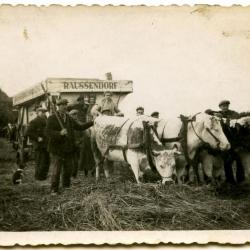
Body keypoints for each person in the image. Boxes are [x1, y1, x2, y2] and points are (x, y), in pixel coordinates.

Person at [46, 99, 93, 195]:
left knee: (67, 170)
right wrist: (59, 133)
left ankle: (66, 187)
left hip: (68, 149)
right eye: (62, 105)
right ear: (58, 106)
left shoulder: (69, 118)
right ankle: (54, 189)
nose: (64, 107)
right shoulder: (52, 118)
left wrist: (92, 122)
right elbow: (47, 132)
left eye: (65, 105)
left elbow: (80, 127)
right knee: (56, 170)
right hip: (57, 149)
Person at [205, 100, 244, 184]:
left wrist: (228, 120)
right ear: (220, 107)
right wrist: (213, 113)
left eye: (226, 105)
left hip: (234, 141)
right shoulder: (218, 114)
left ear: (228, 106)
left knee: (238, 160)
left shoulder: (233, 113)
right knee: (227, 161)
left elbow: (237, 118)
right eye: (223, 106)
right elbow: (206, 112)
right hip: (224, 141)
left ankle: (240, 179)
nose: (225, 107)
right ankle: (230, 180)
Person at [26, 106, 50, 181]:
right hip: (39, 145)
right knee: (40, 161)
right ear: (37, 113)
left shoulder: (46, 121)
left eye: (44, 112)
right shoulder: (34, 121)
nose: (43, 113)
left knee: (46, 161)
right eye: (42, 112)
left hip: (46, 144)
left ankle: (43, 176)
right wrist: (37, 138)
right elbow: (28, 132)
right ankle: (38, 177)